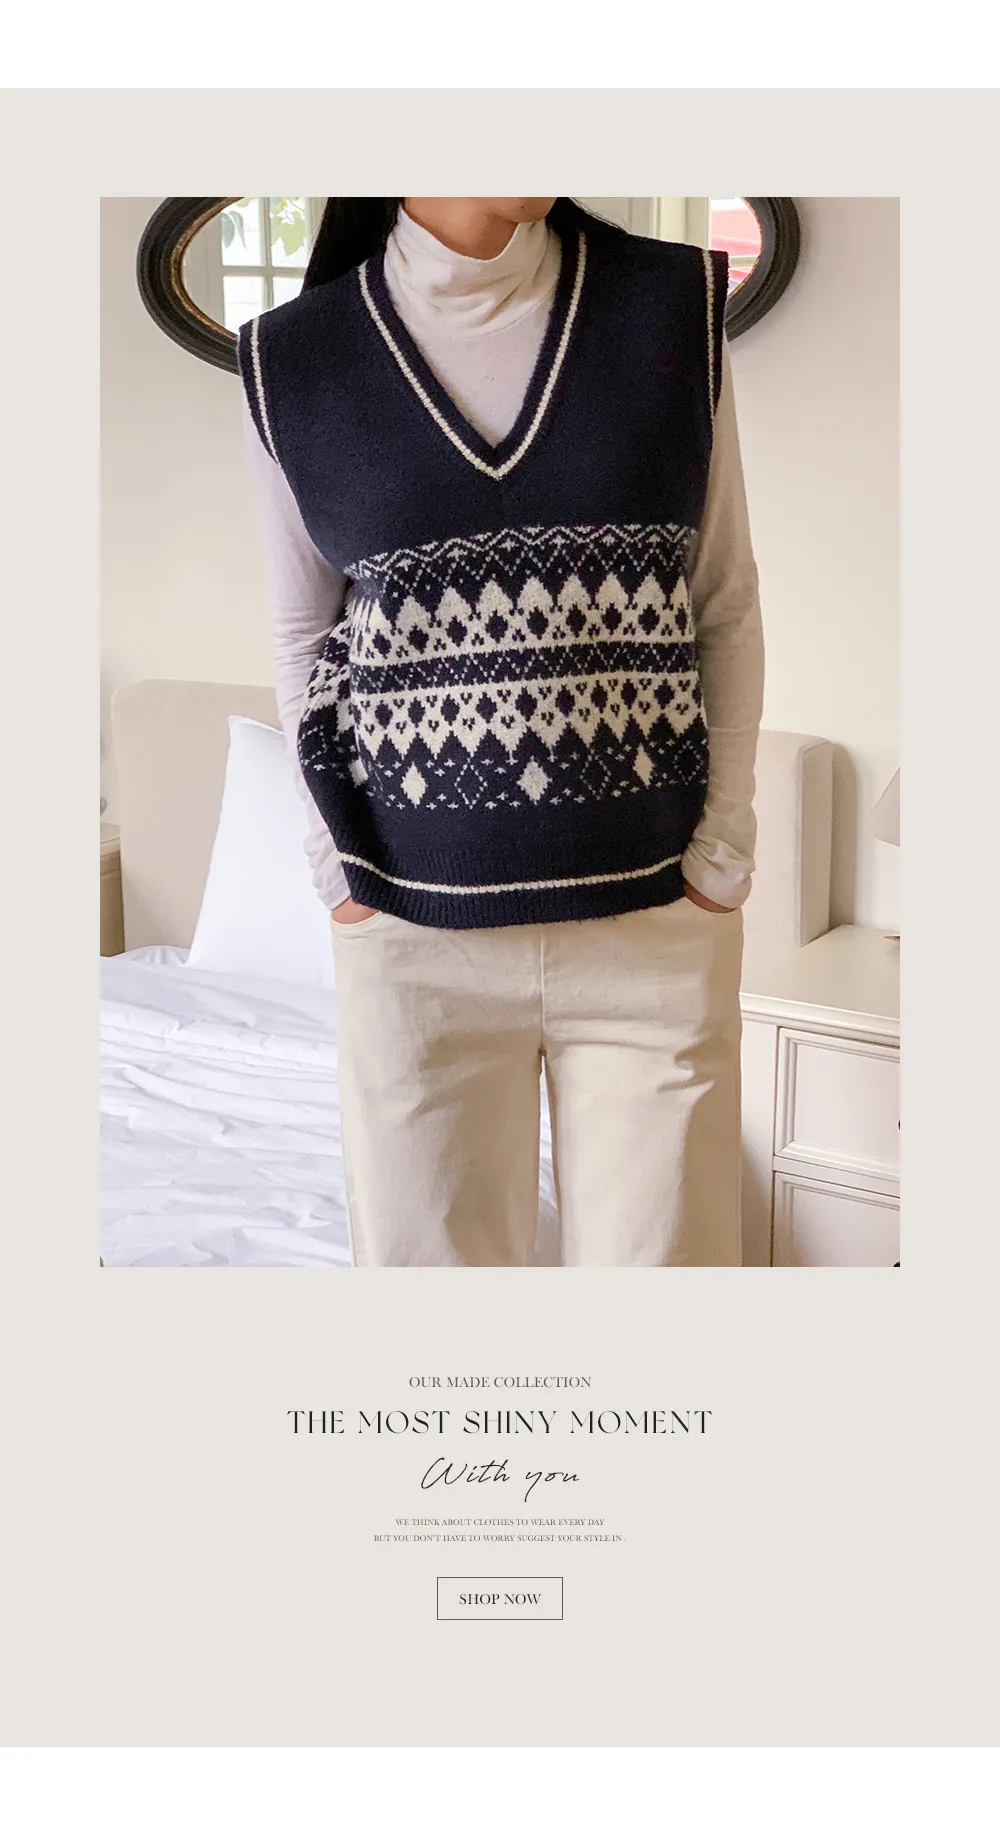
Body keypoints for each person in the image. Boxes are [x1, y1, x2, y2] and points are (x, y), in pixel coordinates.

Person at [237, 196, 764, 1268]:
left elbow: (723, 599)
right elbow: (301, 632)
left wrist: (723, 850)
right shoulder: (292, 361)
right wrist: (334, 868)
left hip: (652, 925)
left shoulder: (668, 309)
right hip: (410, 931)